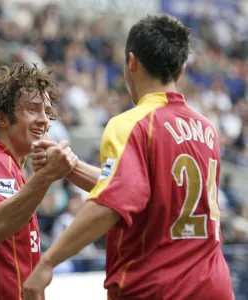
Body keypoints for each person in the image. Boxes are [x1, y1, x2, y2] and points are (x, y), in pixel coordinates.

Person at [23, 14, 235, 300]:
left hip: (158, 288)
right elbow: (138, 193)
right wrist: (70, 167)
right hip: (214, 286)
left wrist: (47, 263)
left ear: (131, 62)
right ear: (181, 69)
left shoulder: (132, 124)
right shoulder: (207, 129)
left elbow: (112, 203)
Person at [0, 63, 82, 300]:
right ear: (2, 118)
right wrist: (46, 176)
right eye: (33, 109)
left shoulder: (12, 169)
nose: (44, 121)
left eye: (47, 113)